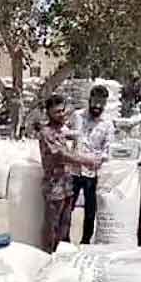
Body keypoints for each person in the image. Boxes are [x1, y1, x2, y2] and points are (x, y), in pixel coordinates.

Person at [38, 95, 100, 253]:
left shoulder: (61, 131)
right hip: (55, 186)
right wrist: (86, 161)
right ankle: (47, 255)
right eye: (57, 112)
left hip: (66, 184)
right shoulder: (47, 133)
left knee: (65, 224)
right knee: (52, 224)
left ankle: (60, 254)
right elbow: (61, 155)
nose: (62, 114)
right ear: (49, 113)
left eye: (63, 111)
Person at [69, 85, 115, 244]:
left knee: (90, 211)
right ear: (89, 100)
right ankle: (64, 240)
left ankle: (85, 242)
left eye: (101, 103)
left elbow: (108, 149)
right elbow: (68, 135)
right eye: (95, 102)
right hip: (74, 169)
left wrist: (96, 159)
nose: (97, 106)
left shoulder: (107, 124)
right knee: (67, 207)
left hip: (92, 173)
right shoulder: (77, 116)